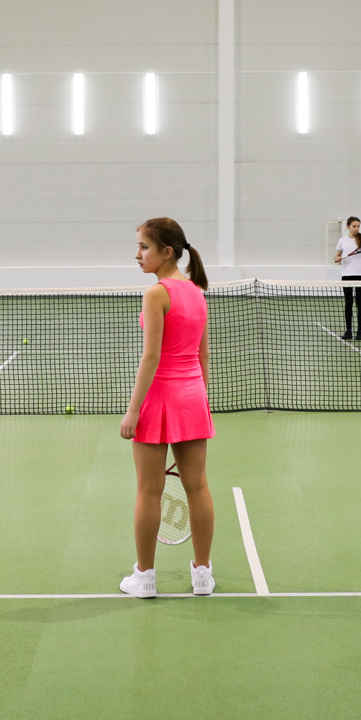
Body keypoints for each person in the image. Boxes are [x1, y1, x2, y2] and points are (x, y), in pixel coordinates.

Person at [118, 217, 215, 598]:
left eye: (144, 247)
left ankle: (144, 578)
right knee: (198, 487)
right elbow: (203, 355)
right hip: (193, 399)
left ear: (167, 252)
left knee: (148, 490)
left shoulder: (157, 294)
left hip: (158, 400)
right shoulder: (197, 291)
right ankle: (202, 574)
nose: (137, 254)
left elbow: (151, 358)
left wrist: (132, 411)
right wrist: (201, 402)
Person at [333, 216, 361, 340]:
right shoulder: (342, 241)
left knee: (360, 304)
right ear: (348, 227)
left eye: (358, 226)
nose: (356, 228)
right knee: (348, 303)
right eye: (354, 226)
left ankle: (360, 331)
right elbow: (337, 258)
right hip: (346, 275)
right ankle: (349, 331)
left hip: (360, 275)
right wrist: (337, 259)